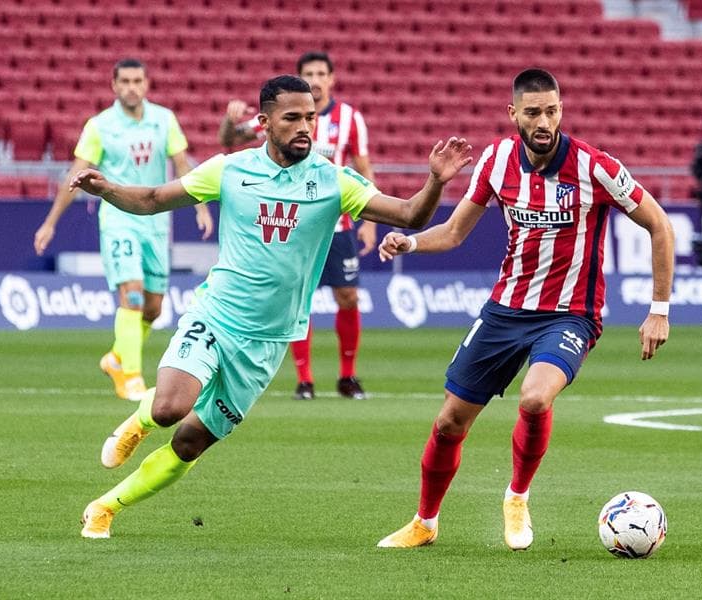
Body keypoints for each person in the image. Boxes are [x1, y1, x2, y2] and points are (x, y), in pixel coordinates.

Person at [73, 74, 472, 539]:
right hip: (216, 315)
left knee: (190, 440)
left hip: (268, 342)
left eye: (311, 118)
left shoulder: (333, 180)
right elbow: (154, 199)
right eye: (292, 118)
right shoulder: (231, 169)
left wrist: (435, 183)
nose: (305, 127)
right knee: (168, 409)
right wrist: (107, 190)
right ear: (264, 122)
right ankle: (138, 422)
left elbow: (408, 215)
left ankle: (104, 507)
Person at [375, 68, 674, 551]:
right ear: (513, 113)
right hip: (505, 310)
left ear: (561, 110)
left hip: (569, 314)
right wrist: (408, 242)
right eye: (533, 111)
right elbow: (453, 232)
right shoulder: (494, 160)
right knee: (450, 421)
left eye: (552, 110)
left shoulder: (594, 166)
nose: (543, 120)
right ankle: (424, 523)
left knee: (535, 398)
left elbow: (659, 225)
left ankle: (516, 497)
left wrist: (658, 309)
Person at [34, 58, 214, 401]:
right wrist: (50, 222)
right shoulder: (100, 126)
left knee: (153, 308)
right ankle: (130, 375)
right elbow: (76, 173)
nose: (132, 87)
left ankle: (118, 357)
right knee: (131, 294)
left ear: (146, 84)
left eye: (137, 80)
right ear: (114, 86)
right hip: (119, 220)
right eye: (125, 81)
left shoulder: (165, 120)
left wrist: (201, 207)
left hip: (157, 221)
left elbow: (182, 165)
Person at [219, 51, 376, 401]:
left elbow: (363, 169)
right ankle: (304, 380)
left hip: (338, 226)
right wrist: (230, 122)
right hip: (294, 224)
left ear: (332, 79)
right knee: (297, 300)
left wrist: (369, 223)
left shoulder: (350, 118)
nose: (317, 79)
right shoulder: (281, 118)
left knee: (347, 296)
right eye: (310, 73)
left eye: (322, 73)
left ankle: (347, 376)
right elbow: (231, 139)